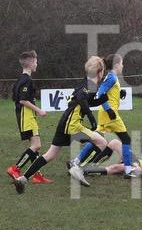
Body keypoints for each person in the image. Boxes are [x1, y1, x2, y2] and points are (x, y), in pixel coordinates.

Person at [12, 56, 110, 193]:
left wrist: (103, 99)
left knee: (50, 154)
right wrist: (91, 118)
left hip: (65, 122)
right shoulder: (89, 85)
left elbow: (86, 101)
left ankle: (22, 179)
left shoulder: (87, 83)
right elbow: (81, 98)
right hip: (72, 124)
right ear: (100, 72)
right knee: (102, 142)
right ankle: (78, 168)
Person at [73, 54, 141, 178]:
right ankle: (128, 170)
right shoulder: (112, 77)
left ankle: (76, 161)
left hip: (104, 114)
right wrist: (108, 109)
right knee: (126, 139)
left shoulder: (110, 76)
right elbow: (100, 93)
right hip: (110, 115)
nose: (122, 66)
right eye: (121, 63)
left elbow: (107, 92)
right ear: (116, 65)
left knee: (96, 138)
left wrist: (119, 93)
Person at [6, 50, 52, 184]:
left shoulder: (20, 80)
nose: (37, 64)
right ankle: (15, 168)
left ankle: (37, 175)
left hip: (25, 115)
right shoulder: (27, 80)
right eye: (36, 62)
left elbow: (16, 98)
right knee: (36, 145)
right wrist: (39, 110)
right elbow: (22, 100)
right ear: (31, 63)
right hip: (26, 116)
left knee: (34, 146)